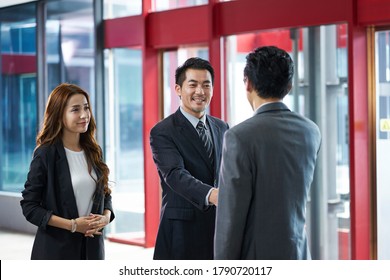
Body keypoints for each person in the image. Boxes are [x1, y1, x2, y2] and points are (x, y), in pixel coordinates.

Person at [214, 46, 321, 260]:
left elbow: (231, 216)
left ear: (248, 83)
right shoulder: (311, 131)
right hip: (298, 255)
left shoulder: (239, 136)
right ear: (289, 86)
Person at [20, 83, 115, 260]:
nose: (84, 115)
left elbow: (105, 195)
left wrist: (106, 218)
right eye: (75, 109)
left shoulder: (94, 151)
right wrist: (72, 225)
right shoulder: (46, 154)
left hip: (92, 251)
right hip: (56, 252)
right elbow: (30, 207)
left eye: (86, 108)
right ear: (59, 115)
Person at [150, 57, 229, 260]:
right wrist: (212, 195)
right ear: (178, 89)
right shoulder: (163, 131)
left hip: (219, 229)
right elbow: (174, 175)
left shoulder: (222, 127)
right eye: (192, 85)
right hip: (182, 231)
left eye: (206, 85)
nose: (200, 92)